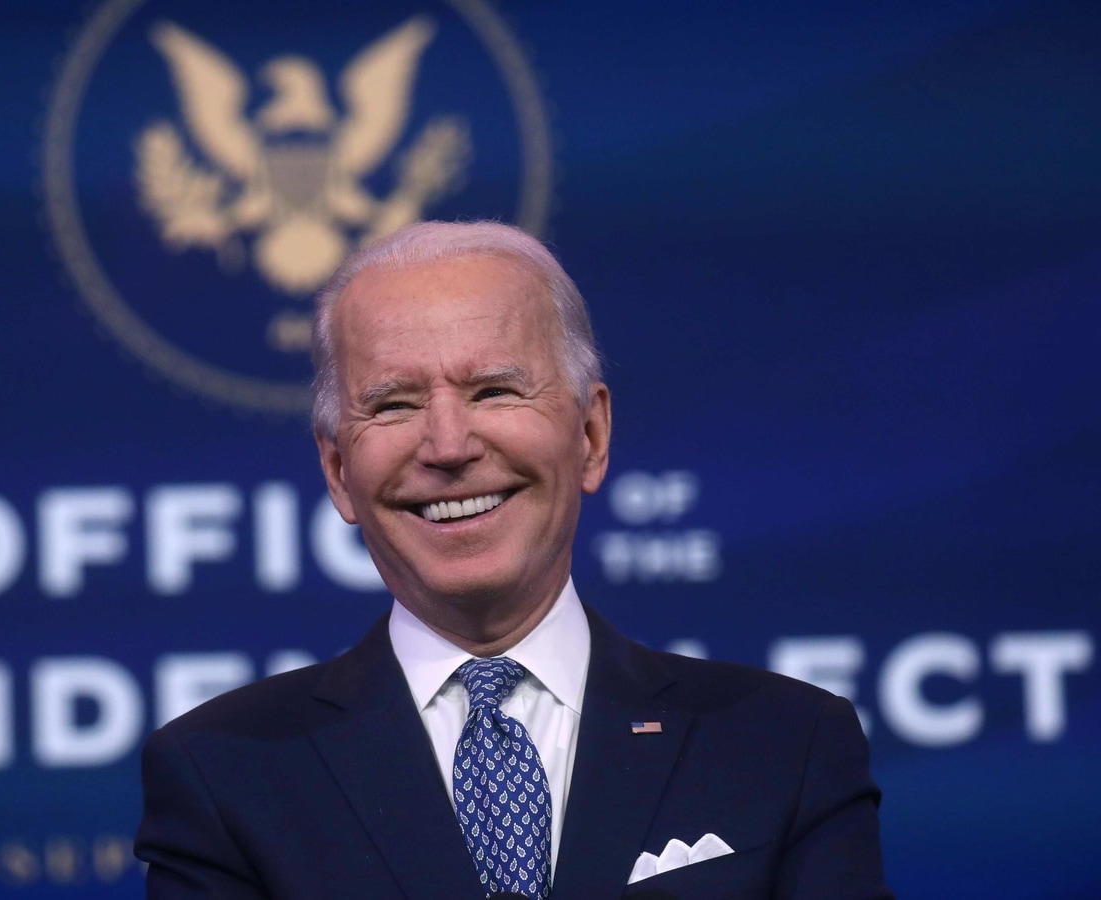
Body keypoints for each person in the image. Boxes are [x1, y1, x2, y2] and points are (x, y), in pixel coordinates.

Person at [135, 221, 890, 899]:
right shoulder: (224, 773)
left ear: (590, 436)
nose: (449, 446)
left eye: (495, 391)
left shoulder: (783, 746)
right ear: (338, 471)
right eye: (394, 405)